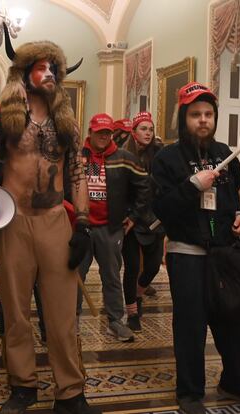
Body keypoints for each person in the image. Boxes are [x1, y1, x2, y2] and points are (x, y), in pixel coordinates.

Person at [0, 37, 100, 414]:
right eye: (42, 66)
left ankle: (70, 393)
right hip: (12, 222)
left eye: (54, 68)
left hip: (54, 223)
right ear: (25, 72)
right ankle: (23, 386)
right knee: (15, 313)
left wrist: (82, 224)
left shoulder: (67, 123)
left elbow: (79, 171)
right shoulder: (3, 119)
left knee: (63, 315)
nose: (49, 72)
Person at [152, 81, 240, 414]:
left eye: (208, 114)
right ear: (183, 117)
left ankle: (235, 380)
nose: (202, 120)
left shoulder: (225, 155)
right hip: (186, 254)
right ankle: (190, 392)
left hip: (224, 255)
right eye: (195, 114)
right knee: (190, 324)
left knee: (233, 319)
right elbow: (161, 209)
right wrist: (193, 185)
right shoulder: (167, 160)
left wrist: (239, 214)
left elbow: (231, 196)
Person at [77, 113, 155, 342]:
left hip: (110, 229)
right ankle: (72, 322)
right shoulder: (78, 157)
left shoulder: (125, 158)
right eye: (99, 132)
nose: (103, 137)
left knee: (111, 276)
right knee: (75, 277)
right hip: (81, 228)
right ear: (90, 133)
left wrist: (133, 216)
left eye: (107, 133)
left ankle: (115, 322)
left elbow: (145, 188)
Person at [121, 112, 164, 332]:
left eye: (150, 129)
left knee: (153, 267)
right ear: (133, 132)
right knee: (131, 268)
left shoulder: (159, 154)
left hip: (155, 219)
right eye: (143, 129)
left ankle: (138, 295)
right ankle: (132, 312)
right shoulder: (124, 155)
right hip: (130, 219)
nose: (148, 133)